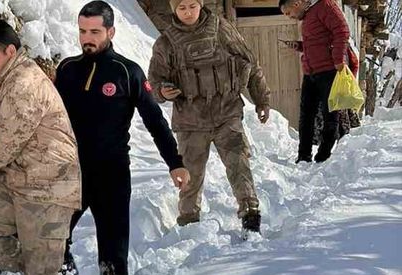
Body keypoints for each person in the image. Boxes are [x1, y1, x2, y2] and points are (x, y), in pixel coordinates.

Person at [55, 1, 189, 275]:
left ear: (111, 32)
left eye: (94, 31)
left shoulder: (127, 72)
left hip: (111, 172)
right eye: (82, 31)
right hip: (70, 172)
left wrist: (175, 163)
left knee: (113, 253)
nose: (87, 38)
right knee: (53, 238)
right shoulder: (67, 69)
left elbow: (155, 121)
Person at [0, 20, 82, 275]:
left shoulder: (23, 84)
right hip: (17, 181)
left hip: (48, 188)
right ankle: (38, 262)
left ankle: (45, 271)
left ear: (11, 52)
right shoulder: (11, 80)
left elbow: (4, 146)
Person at [148, 0, 270, 234]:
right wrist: (162, 91)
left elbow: (250, 63)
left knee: (239, 165)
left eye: (192, 6)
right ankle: (188, 221)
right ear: (174, 10)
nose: (188, 12)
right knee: (190, 175)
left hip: (227, 113)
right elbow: (154, 79)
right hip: (190, 121)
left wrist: (262, 99)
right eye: (181, 8)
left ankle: (251, 215)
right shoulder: (166, 42)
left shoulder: (220, 28)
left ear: (200, 4)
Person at [279, 0, 350, 163]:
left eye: (288, 12)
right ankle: (303, 156)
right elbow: (318, 43)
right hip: (311, 73)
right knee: (306, 115)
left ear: (296, 3)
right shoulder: (308, 16)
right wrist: (300, 46)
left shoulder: (325, 6)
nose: (289, 17)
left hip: (329, 71)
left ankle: (324, 155)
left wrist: (338, 59)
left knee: (330, 114)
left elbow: (342, 30)